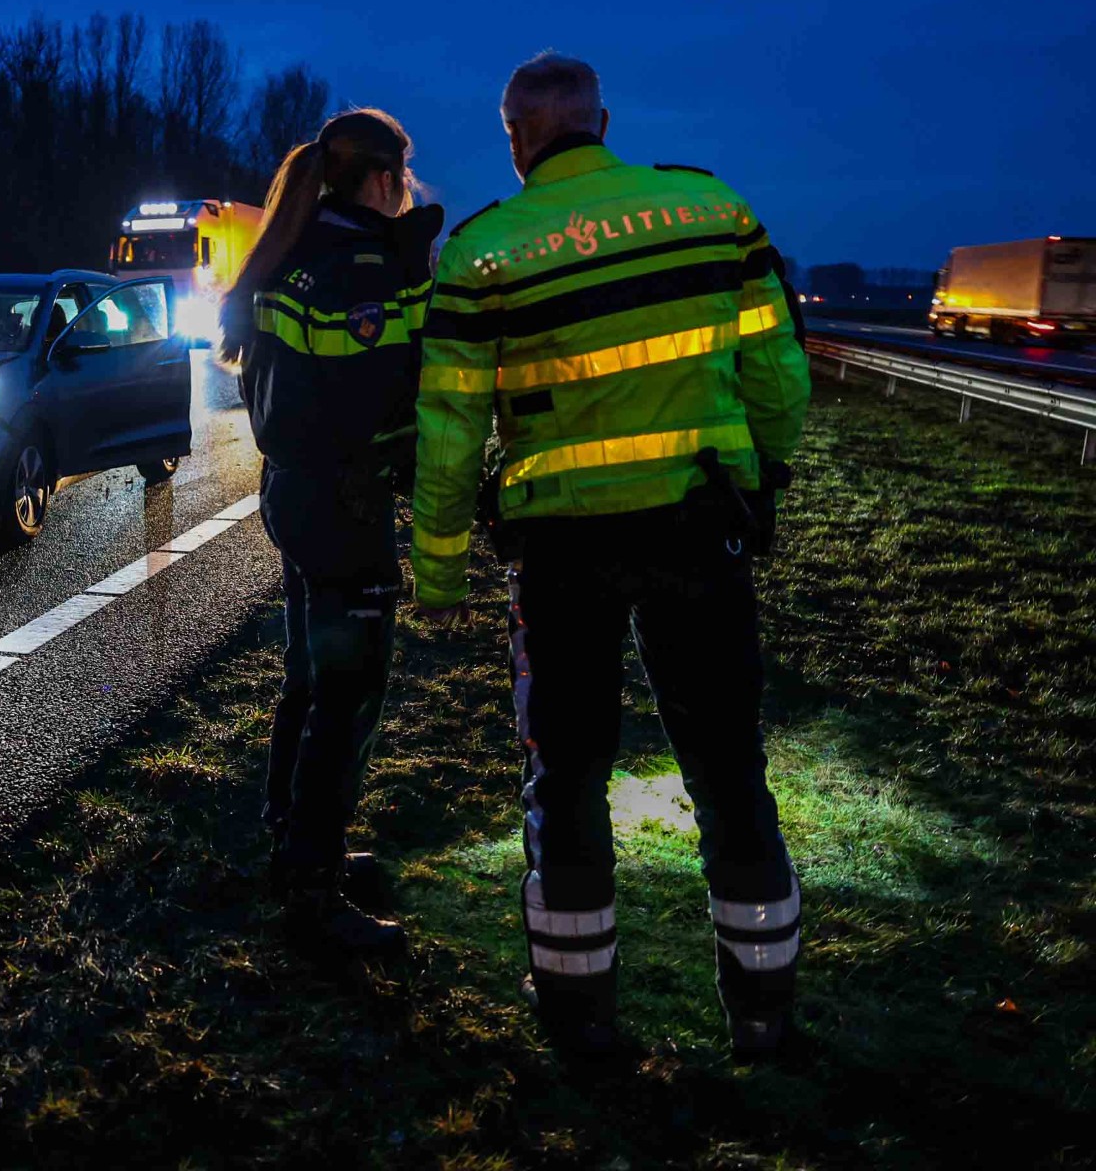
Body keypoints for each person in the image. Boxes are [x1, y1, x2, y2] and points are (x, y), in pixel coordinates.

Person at [411, 53, 811, 1057]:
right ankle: (762, 1010)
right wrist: (762, 472)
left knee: (568, 778)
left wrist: (443, 563)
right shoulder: (711, 210)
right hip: (694, 527)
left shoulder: (484, 252)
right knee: (728, 769)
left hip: (560, 553)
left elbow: (451, 429)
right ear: (604, 120)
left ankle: (579, 1018)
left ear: (516, 134)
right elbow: (775, 363)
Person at [218, 109, 444, 962]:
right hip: (344, 507)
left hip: (295, 493)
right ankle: (314, 893)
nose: (410, 195)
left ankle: (294, 844)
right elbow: (386, 404)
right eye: (406, 180)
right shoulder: (359, 270)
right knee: (346, 695)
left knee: (310, 678)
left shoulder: (293, 254)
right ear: (381, 180)